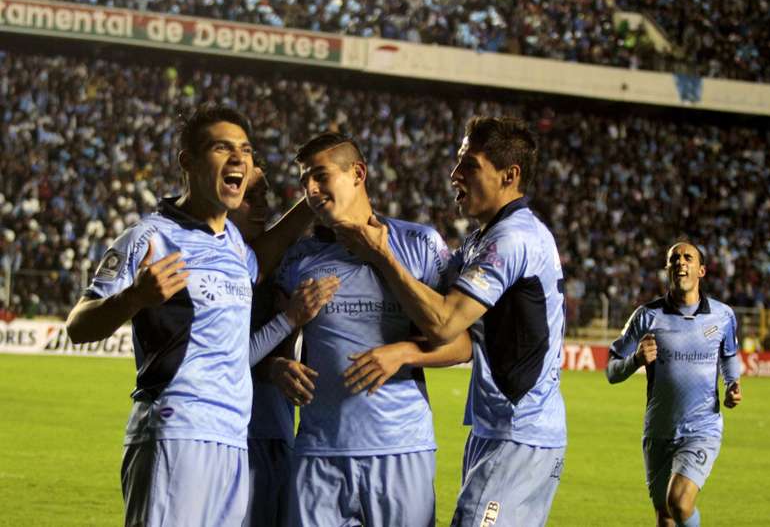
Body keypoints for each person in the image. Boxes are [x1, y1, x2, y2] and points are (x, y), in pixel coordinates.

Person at [65, 103, 313, 527]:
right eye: (222, 148)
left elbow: (265, 254)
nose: (239, 158)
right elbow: (77, 325)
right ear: (188, 162)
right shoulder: (150, 237)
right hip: (175, 432)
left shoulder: (234, 244)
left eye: (245, 149)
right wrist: (134, 298)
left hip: (233, 440)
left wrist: (315, 200)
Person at [333, 116, 567, 527]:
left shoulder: (512, 240)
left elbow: (443, 323)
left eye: (469, 164)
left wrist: (381, 255)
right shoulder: (486, 237)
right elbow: (432, 302)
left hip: (519, 433)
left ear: (509, 175)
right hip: (503, 431)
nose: (454, 174)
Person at [277, 132, 472, 526]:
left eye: (319, 176)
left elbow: (462, 344)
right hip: (320, 450)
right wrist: (278, 366)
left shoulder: (420, 244)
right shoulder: (298, 257)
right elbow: (278, 345)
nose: (310, 191)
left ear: (357, 173)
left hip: (401, 448)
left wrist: (402, 353)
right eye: (303, 182)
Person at [229, 166, 338, 527]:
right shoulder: (217, 270)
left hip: (281, 434)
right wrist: (285, 330)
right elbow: (224, 359)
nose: (261, 206)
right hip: (236, 441)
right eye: (250, 197)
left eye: (265, 196)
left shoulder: (281, 265)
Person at [606, 242, 742, 527]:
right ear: (668, 269)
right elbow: (611, 370)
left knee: (679, 503)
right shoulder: (647, 316)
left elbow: (729, 356)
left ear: (701, 270)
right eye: (674, 258)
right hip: (658, 430)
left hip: (702, 428)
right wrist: (635, 361)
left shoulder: (722, 315)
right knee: (665, 517)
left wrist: (732, 383)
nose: (681, 261)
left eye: (688, 257)